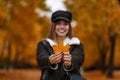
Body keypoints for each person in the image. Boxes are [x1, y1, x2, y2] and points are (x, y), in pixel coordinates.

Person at [36, 10, 85, 80]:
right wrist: (49, 60)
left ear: (69, 27)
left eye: (65, 24)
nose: (62, 27)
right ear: (53, 26)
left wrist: (70, 62)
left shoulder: (76, 43)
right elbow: (41, 59)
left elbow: (79, 59)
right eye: (58, 24)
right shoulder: (44, 44)